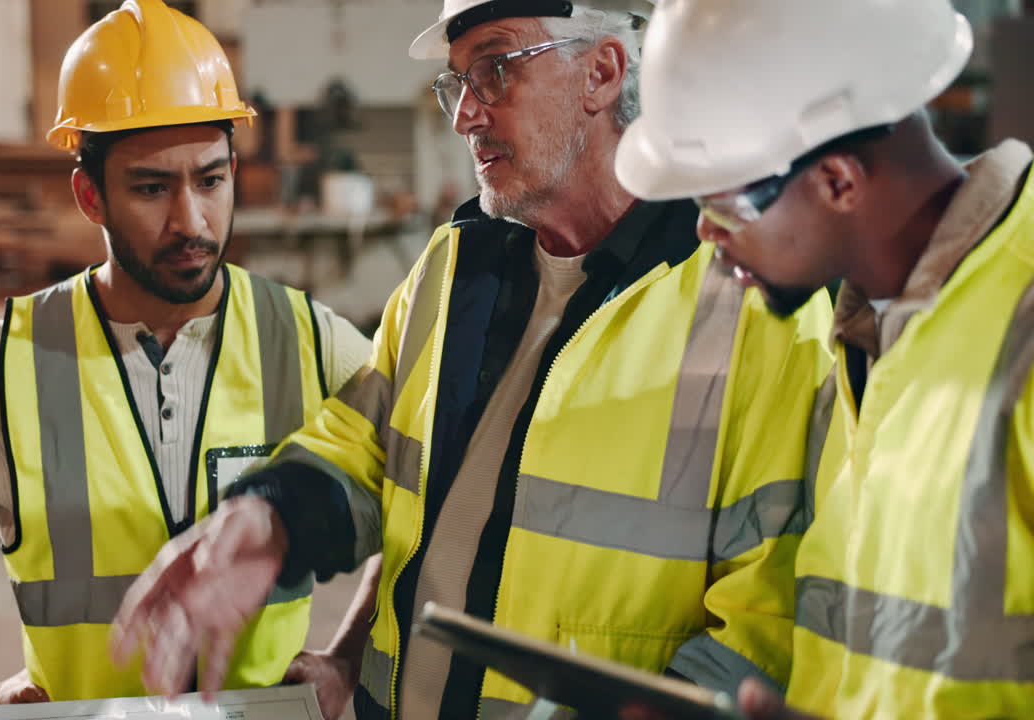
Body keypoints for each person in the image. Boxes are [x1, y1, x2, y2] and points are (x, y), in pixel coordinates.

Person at [109, 1, 835, 718]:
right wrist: (269, 521)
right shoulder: (456, 268)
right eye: (457, 82)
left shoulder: (756, 303)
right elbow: (362, 444)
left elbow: (771, 622)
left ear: (603, 73)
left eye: (494, 70)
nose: (465, 116)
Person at [0, 0, 372, 706]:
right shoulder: (0, 366)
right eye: (150, 188)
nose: (190, 221)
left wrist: (348, 658)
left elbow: (430, 503)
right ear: (88, 195)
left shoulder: (314, 343)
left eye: (211, 180)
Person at [616, 0, 1034, 717]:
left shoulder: (1017, 326)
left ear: (838, 180)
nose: (704, 231)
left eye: (724, 199)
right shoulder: (872, 337)